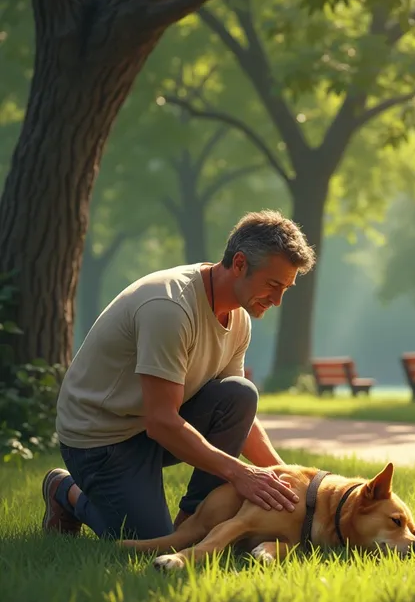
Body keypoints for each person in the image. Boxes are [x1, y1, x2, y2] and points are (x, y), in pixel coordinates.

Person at [42, 209, 316, 540]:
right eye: (273, 285)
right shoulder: (170, 307)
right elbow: (161, 421)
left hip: (150, 428)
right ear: (240, 263)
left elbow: (236, 412)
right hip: (100, 438)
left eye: (285, 288)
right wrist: (241, 473)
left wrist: (289, 477)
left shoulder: (238, 317)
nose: (277, 300)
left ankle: (191, 522)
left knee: (240, 393)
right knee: (150, 542)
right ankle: (66, 492)